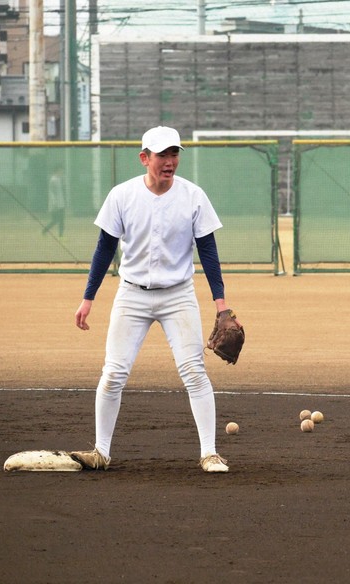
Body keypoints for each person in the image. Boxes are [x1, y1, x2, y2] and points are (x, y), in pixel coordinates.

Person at [72, 126, 238, 473]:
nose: (170, 161)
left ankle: (209, 453)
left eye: (174, 153)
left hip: (178, 295)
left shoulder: (193, 196)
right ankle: (101, 452)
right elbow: (105, 248)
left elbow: (207, 250)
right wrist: (88, 298)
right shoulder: (122, 195)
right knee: (114, 373)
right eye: (162, 155)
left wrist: (221, 304)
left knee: (193, 371)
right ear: (144, 158)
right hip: (131, 295)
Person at [42, 164, 69, 238]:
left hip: (61, 204)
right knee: (55, 220)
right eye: (61, 170)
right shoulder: (53, 180)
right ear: (56, 171)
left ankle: (61, 236)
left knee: (61, 220)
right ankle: (44, 231)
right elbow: (51, 192)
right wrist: (54, 203)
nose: (62, 172)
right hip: (55, 205)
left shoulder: (60, 179)